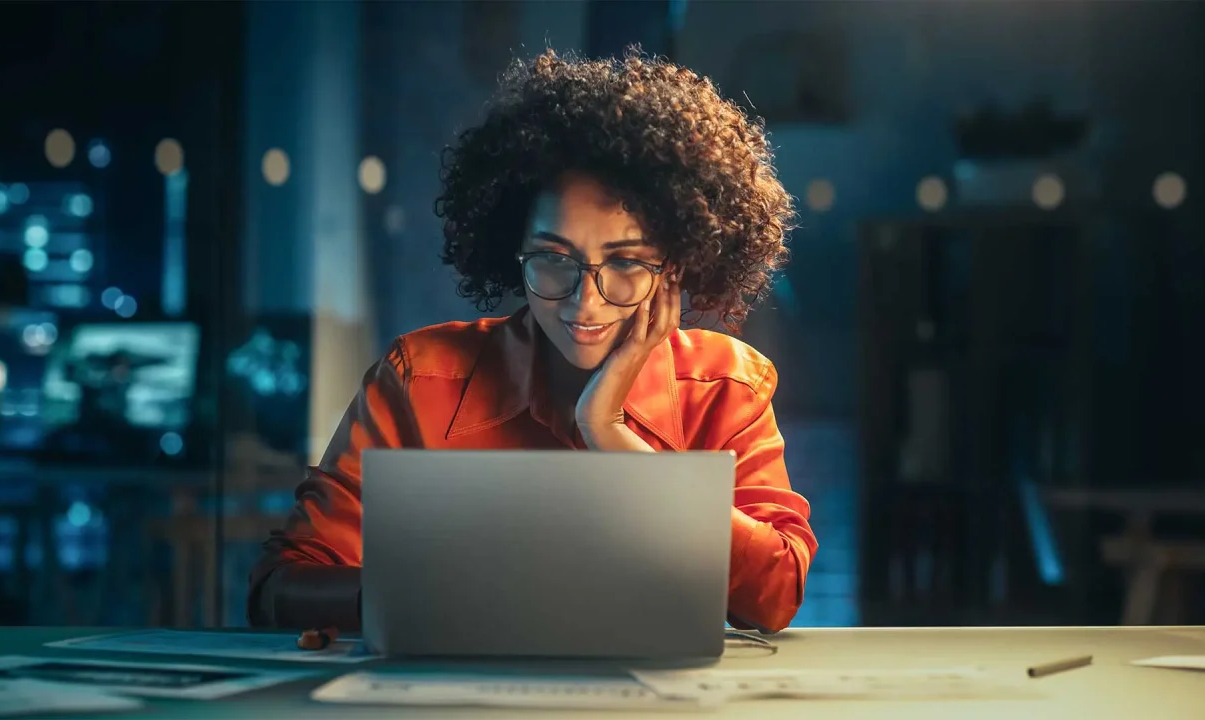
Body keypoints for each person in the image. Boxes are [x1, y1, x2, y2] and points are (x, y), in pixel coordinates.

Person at [249, 49, 818, 635]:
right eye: (552, 258)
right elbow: (279, 586)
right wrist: (429, 599)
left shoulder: (723, 385)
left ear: (674, 267)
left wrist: (609, 432)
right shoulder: (421, 378)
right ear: (512, 248)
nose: (584, 301)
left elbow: (775, 597)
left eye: (625, 262)